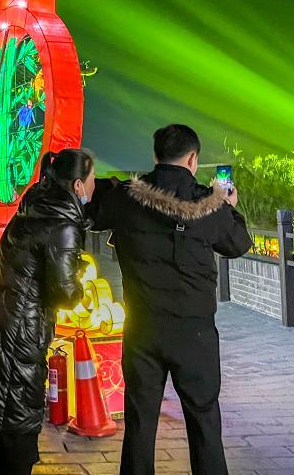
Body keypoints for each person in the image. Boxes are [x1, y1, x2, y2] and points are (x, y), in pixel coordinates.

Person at [87, 124, 252, 475]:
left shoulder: (127, 197)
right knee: (203, 417)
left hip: (142, 327)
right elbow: (238, 244)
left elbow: (93, 209)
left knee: (140, 418)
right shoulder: (209, 204)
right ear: (192, 159)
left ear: (156, 156)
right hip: (195, 331)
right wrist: (229, 206)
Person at [0, 149, 93, 475]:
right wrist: (80, 280)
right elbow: (65, 293)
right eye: (93, 180)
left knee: (3, 430)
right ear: (78, 185)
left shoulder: (33, 207)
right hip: (19, 340)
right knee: (17, 434)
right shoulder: (62, 224)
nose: (94, 187)